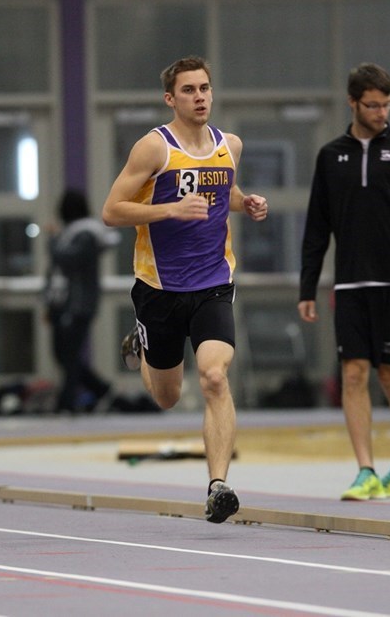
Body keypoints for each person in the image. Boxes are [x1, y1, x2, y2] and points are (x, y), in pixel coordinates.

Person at [102, 55, 268, 523]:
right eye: (190, 90)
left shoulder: (228, 145)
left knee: (214, 376)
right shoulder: (153, 149)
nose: (200, 97)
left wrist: (246, 203)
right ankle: (140, 343)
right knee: (167, 396)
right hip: (159, 286)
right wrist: (168, 210)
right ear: (170, 99)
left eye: (205, 88)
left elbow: (223, 193)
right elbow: (112, 211)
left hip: (214, 281)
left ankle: (218, 486)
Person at [298, 62, 390, 502]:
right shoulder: (330, 156)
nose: (382, 112)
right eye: (372, 105)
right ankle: (365, 470)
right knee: (353, 373)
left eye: (386, 104)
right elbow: (315, 226)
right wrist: (308, 287)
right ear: (352, 103)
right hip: (349, 283)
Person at [44, 188, 119, 414]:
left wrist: (53, 240)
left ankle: (66, 402)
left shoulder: (85, 234)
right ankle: (100, 388)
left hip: (78, 303)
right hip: (63, 303)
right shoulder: (72, 233)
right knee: (63, 354)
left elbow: (68, 261)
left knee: (69, 354)